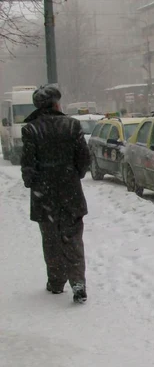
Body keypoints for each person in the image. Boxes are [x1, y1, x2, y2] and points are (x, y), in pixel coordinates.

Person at [20, 84, 90, 304]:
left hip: (44, 194)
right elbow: (84, 159)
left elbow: (28, 163)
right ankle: (77, 282)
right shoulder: (72, 126)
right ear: (55, 104)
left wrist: (33, 181)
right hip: (70, 191)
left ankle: (56, 281)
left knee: (50, 240)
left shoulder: (30, 129)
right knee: (73, 238)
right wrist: (73, 175)